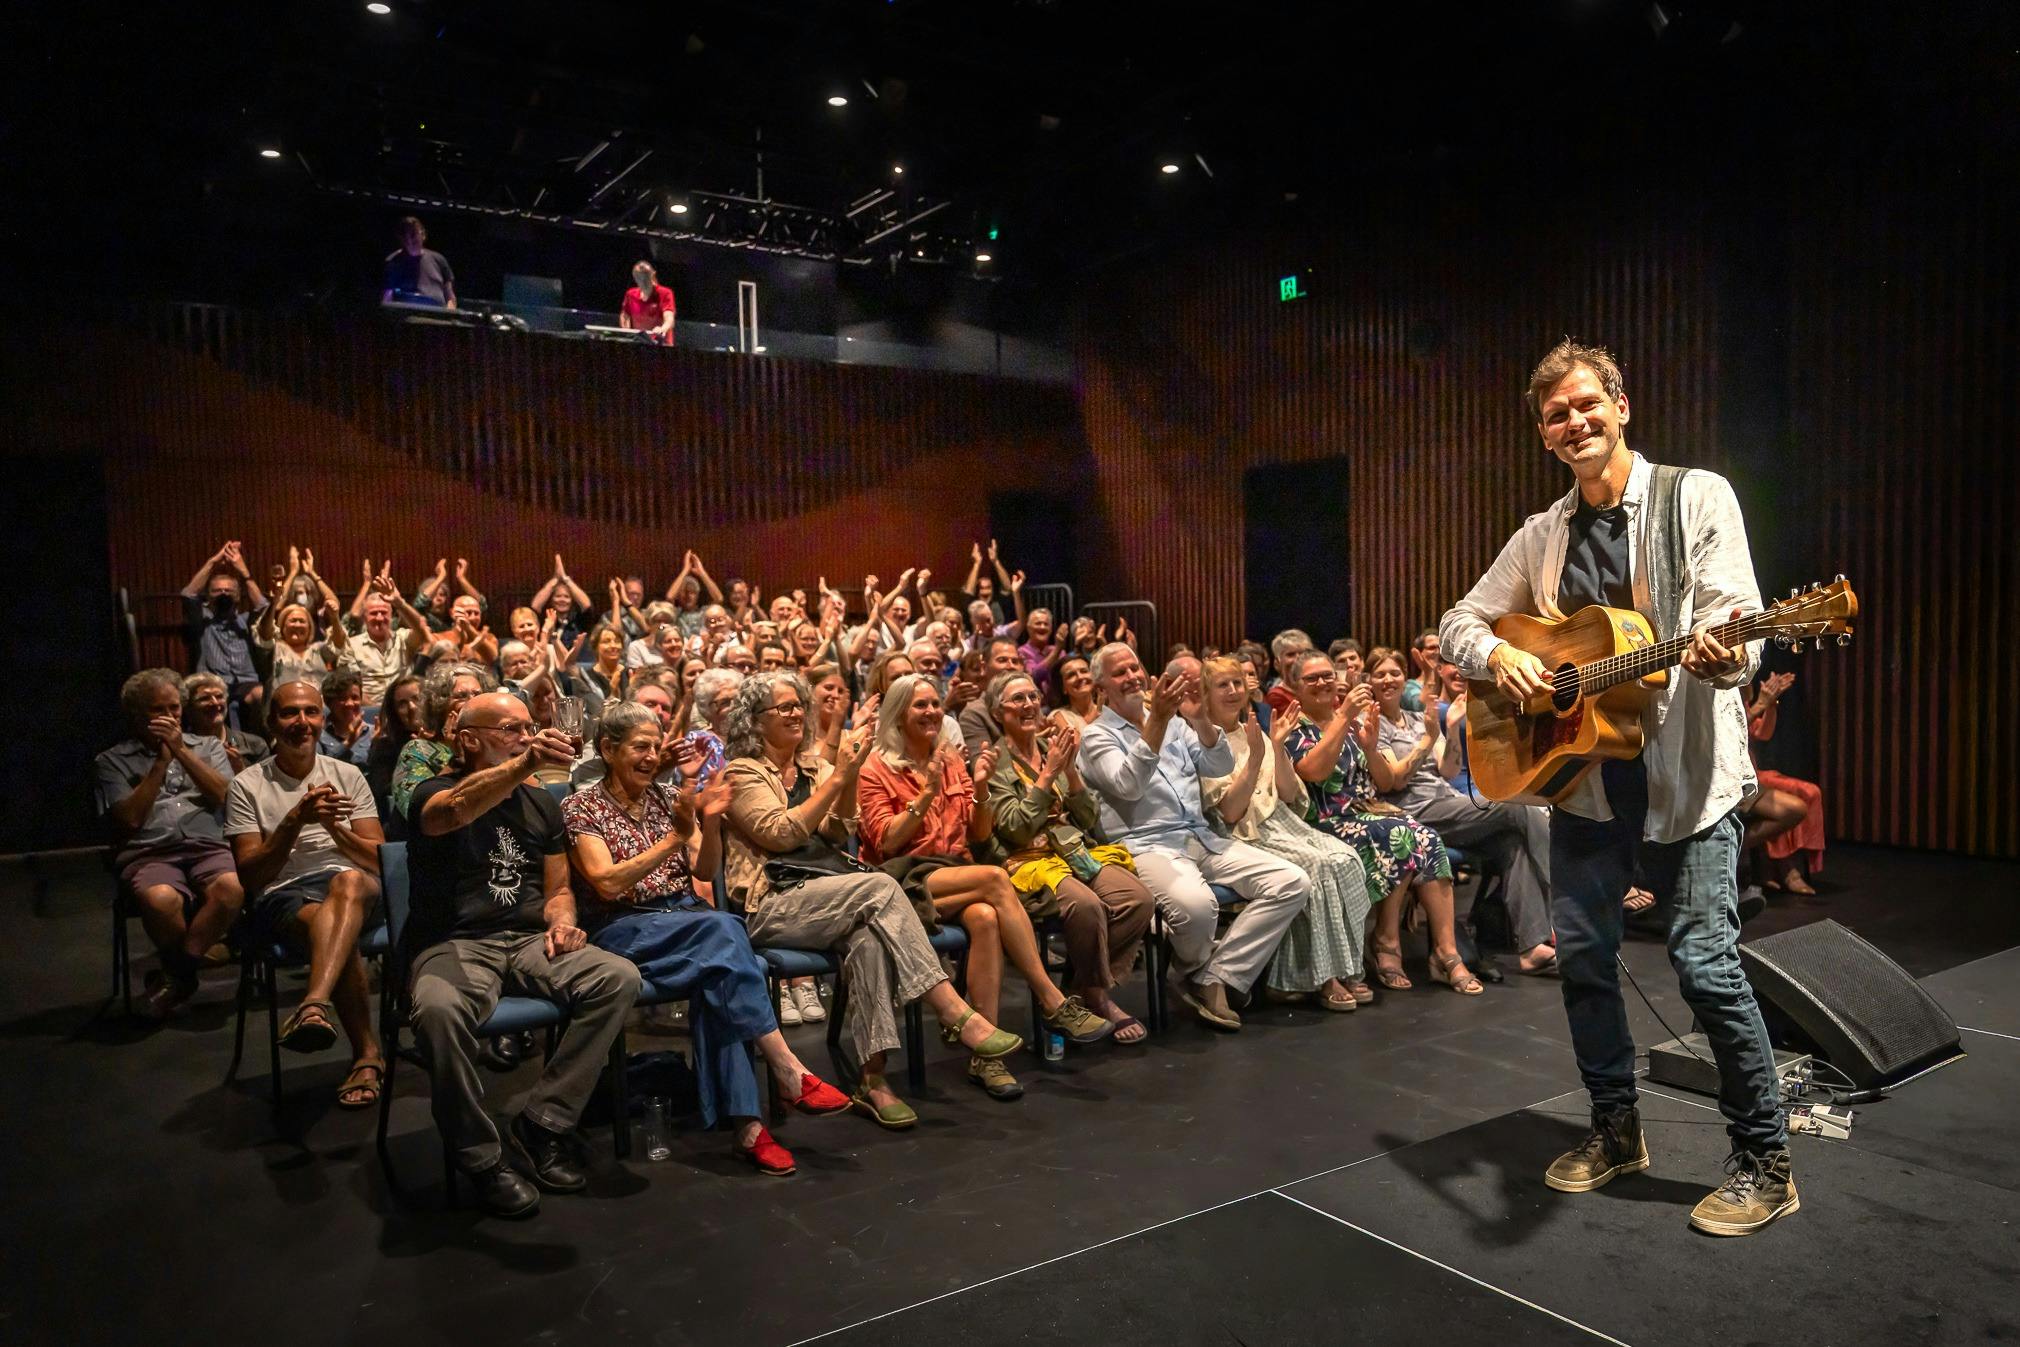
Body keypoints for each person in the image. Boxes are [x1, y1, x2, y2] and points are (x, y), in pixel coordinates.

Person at [1440, 338, 1792, 1236]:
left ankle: (1765, 1159)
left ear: (1621, 406)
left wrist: (1726, 651)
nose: (1573, 422)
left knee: (1705, 964)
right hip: (1587, 783)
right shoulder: (1543, 533)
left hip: (1688, 775)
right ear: (1546, 433)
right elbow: (1458, 624)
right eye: (1556, 414)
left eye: (1587, 404)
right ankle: (1615, 1127)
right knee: (1586, 961)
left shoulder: (1695, 496)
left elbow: (1731, 614)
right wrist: (1505, 653)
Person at [718, 672, 1023, 1129]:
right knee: (881, 888)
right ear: (755, 721)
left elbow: (839, 831)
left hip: (830, 894)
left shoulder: (813, 768)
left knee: (870, 939)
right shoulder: (741, 772)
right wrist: (840, 776)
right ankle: (952, 1008)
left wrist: (847, 776)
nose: (798, 712)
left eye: (799, 704)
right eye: (785, 707)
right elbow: (780, 834)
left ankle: (873, 1080)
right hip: (772, 905)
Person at [562, 702, 851, 1176]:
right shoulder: (580, 805)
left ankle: (750, 1129)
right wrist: (675, 838)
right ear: (608, 749)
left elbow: (703, 869)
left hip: (687, 923)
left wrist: (710, 821)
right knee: (726, 934)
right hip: (625, 927)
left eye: (657, 746)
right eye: (640, 747)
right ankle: (786, 1069)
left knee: (723, 968)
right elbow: (607, 883)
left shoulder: (668, 797)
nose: (652, 756)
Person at [404, 693, 639, 1217]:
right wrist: (527, 761)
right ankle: (481, 1158)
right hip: (454, 943)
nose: (526, 738)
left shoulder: (540, 802)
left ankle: (541, 1123)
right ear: (468, 739)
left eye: (530, 728)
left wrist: (563, 925)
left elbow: (557, 891)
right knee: (439, 1012)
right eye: (511, 729)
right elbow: (452, 814)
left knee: (617, 977)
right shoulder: (432, 791)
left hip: (528, 941)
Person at [859, 674, 1114, 1100]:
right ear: (898, 715)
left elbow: (977, 836)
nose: (931, 712)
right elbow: (886, 842)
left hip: (953, 871)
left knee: (985, 917)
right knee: (996, 879)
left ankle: (986, 1057)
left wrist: (977, 787)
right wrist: (926, 794)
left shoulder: (951, 759)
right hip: (899, 877)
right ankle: (1052, 1000)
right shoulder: (876, 767)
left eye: (935, 705)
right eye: (919, 705)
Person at [1078, 645, 1309, 1031]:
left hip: (1199, 836)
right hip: (1144, 845)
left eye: (1135, 666)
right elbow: (1128, 785)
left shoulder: (1174, 722)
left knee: (1291, 881)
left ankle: (1210, 976)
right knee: (1198, 907)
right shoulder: (1096, 736)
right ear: (1101, 685)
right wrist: (1158, 724)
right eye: (1119, 672)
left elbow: (1219, 763)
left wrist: (1200, 720)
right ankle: (1198, 972)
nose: (1132, 676)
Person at [1279, 649, 1481, 996]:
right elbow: (1314, 772)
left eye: (1328, 675)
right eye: (1311, 678)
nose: (1322, 682)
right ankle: (1386, 943)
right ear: (1294, 686)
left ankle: (1445, 952)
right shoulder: (1294, 727)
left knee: (1428, 838)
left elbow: (1386, 782)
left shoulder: (1356, 722)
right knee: (1398, 834)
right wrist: (1343, 716)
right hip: (1325, 821)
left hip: (1368, 813)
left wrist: (1371, 748)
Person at [224, 680, 386, 1109]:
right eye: (289, 713)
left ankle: (314, 1002)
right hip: (286, 893)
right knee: (338, 930)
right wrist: (295, 819)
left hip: (356, 884)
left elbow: (377, 858)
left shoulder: (348, 776)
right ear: (271, 723)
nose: (302, 723)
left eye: (311, 713)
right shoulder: (246, 785)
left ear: (323, 718)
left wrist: (334, 827)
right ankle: (367, 1056)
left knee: (348, 883)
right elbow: (251, 876)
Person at [1362, 647, 1558, 975]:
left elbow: (1449, 770)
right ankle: (1565, 909)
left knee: (1511, 842)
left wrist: (1450, 729)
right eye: (1380, 674)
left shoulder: (1416, 719)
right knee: (1521, 810)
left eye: (1394, 672)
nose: (1388, 680)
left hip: (1446, 803)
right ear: (1369, 680)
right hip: (1413, 812)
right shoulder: (1370, 723)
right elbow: (1394, 781)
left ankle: (1532, 948)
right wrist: (1428, 739)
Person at [984, 672, 1153, 1044]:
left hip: (1073, 851)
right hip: (1025, 862)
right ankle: (1097, 997)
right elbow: (1013, 828)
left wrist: (1071, 770)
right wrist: (1047, 775)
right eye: (1018, 700)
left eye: (1032, 696)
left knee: (1137, 899)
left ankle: (1079, 989)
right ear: (999, 712)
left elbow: (1089, 818)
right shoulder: (994, 761)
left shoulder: (1051, 749)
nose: (1029, 705)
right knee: (1087, 906)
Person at [1196, 658, 1372, 1011]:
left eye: (1237, 683)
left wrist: (1275, 747)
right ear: (1205, 695)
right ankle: (1322, 977)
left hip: (1282, 822)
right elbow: (1230, 812)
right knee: (1319, 866)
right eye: (1222, 686)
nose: (1233, 691)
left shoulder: (1255, 730)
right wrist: (1256, 758)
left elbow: (1291, 794)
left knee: (1346, 858)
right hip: (1244, 832)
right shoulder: (1204, 742)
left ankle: (1346, 965)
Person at [96, 670, 246, 1018]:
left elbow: (227, 796)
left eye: (174, 708)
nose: (169, 716)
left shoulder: (207, 746)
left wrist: (181, 752)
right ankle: (192, 963)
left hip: (208, 844)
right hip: (150, 850)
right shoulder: (111, 761)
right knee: (160, 900)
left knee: (232, 888)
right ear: (136, 715)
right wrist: (161, 763)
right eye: (157, 709)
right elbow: (131, 819)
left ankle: (177, 975)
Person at [387, 662, 495, 831]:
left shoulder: (497, 748)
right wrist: (458, 759)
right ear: (439, 705)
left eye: (478, 694)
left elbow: (535, 791)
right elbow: (417, 811)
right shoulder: (418, 750)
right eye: (461, 696)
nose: (473, 702)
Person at [1748, 671, 1824, 895]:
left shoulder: (1743, 694)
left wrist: (1770, 704)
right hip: (1743, 778)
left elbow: (1763, 733)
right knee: (1790, 802)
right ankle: (1786, 869)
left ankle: (1777, 866)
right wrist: (1761, 704)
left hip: (1754, 773)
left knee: (1810, 792)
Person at [181, 541, 267, 724]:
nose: (223, 594)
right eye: (217, 591)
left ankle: (261, 746)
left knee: (262, 694)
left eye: (228, 591)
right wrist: (213, 561)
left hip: (246, 683)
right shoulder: (202, 621)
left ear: (237, 596)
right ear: (208, 595)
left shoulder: (246, 621)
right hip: (211, 682)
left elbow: (263, 607)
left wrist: (244, 572)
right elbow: (188, 594)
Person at [333, 576, 430, 708]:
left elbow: (422, 629)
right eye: (373, 613)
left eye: (384, 612)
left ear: (391, 615)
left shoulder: (403, 638)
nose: (379, 618)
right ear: (364, 617)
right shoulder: (352, 645)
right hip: (369, 710)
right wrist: (380, 711)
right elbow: (352, 687)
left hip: (405, 707)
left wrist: (400, 603)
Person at [182, 672, 271, 774]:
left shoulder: (255, 746)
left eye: (219, 696)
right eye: (204, 698)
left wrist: (241, 770)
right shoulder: (181, 748)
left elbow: (265, 788)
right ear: (188, 707)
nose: (215, 703)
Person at [954, 637, 1025, 760]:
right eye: (1002, 660)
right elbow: (982, 770)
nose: (1010, 666)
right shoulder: (973, 713)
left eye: (1015, 661)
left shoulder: (1031, 705)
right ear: (983, 667)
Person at [365, 673, 423, 811]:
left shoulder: (446, 738)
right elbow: (383, 792)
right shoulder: (384, 747)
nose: (412, 707)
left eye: (417, 699)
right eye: (402, 704)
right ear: (394, 712)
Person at [381, 215, 456, 308]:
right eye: (405, 235)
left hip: (437, 317)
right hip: (407, 317)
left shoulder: (439, 259)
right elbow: (388, 294)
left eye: (413, 234)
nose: (409, 239)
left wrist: (450, 314)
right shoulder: (394, 261)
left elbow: (449, 295)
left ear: (423, 235)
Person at [317, 668, 377, 768]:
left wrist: (379, 747)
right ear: (329, 702)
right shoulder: (319, 736)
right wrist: (348, 743)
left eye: (354, 698)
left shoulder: (374, 732)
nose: (349, 704)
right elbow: (322, 770)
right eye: (342, 698)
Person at [619, 260, 676, 344]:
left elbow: (669, 318)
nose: (643, 281)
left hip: (661, 344)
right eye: (639, 278)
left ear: (652, 275)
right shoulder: (630, 294)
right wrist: (627, 332)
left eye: (645, 277)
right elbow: (625, 315)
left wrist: (662, 329)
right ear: (634, 278)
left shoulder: (665, 293)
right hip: (638, 343)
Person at [1017, 608, 1066, 702]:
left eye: (1046, 624)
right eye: (1038, 623)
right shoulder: (1022, 652)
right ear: (1028, 627)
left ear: (1051, 629)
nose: (1042, 627)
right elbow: (1033, 677)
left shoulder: (1060, 652)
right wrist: (1057, 651)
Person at [1049, 652, 1103, 727]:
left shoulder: (1108, 711)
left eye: (1084, 671)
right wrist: (1099, 716)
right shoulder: (1058, 715)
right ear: (1063, 688)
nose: (1080, 677)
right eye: (1071, 675)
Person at [1402, 629, 1440, 712]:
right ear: (1419, 653)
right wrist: (1429, 673)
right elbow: (1421, 709)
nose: (1437, 652)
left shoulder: (1451, 683)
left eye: (1440, 648)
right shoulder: (1409, 687)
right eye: (1432, 648)